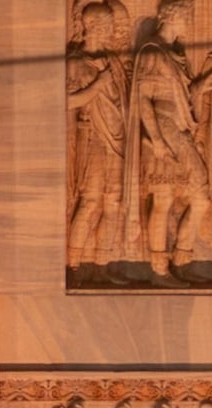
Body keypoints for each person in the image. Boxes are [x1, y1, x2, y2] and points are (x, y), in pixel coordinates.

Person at [127, 0, 212, 284]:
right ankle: (159, 269)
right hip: (162, 131)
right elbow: (144, 99)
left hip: (179, 129)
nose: (188, 25)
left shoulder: (176, 55)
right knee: (162, 198)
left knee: (200, 194)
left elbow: (186, 99)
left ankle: (182, 257)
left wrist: (200, 87)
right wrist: (157, 140)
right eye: (186, 19)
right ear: (173, 18)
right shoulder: (154, 51)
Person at [68, 2, 129, 281]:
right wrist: (98, 85)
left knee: (113, 202)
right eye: (105, 27)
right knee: (91, 201)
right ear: (90, 27)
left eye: (111, 27)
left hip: (117, 138)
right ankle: (74, 264)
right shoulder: (76, 62)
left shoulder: (112, 61)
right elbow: (68, 101)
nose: (110, 32)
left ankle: (103, 263)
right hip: (93, 137)